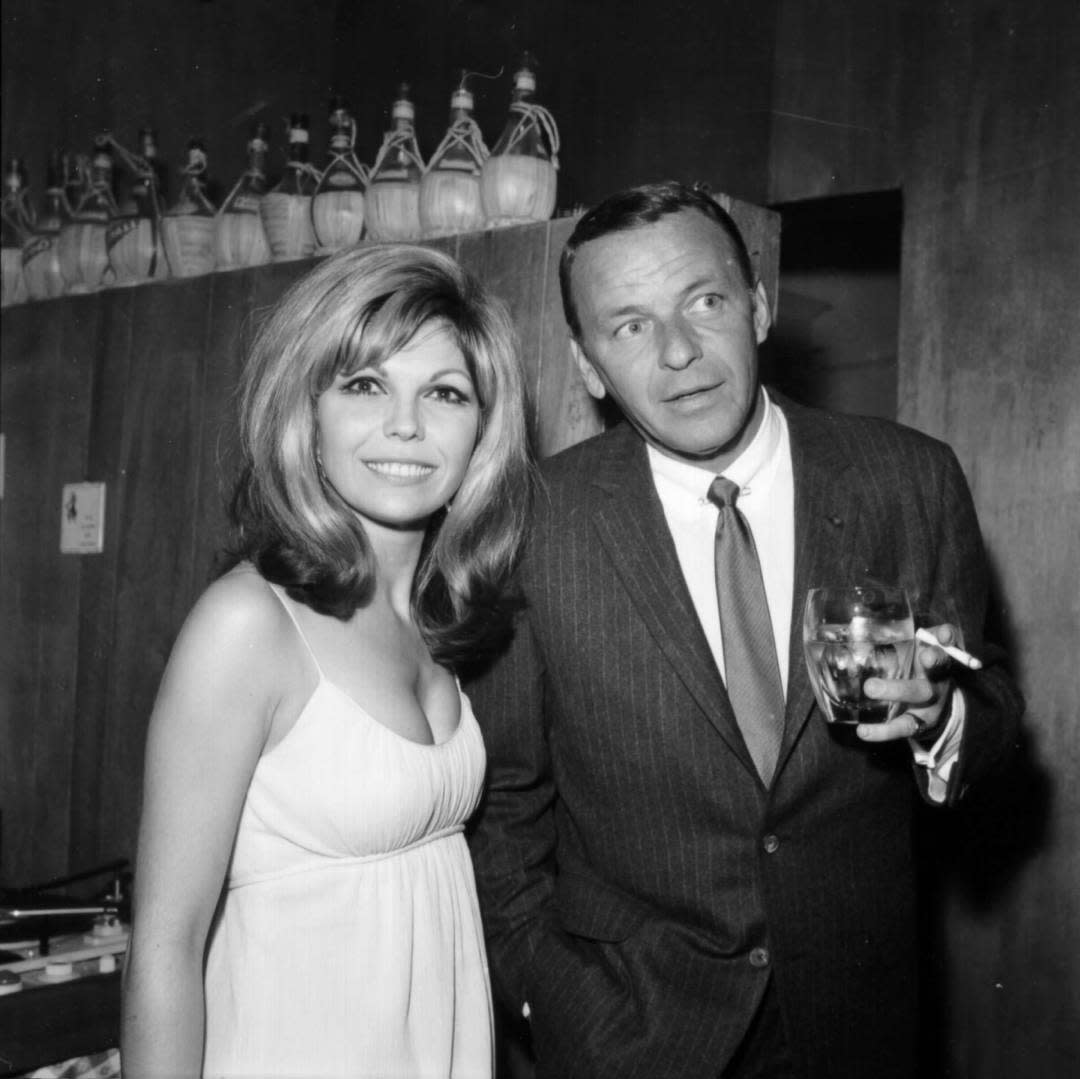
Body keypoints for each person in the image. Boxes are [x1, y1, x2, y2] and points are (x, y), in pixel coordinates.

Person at [466, 181, 1023, 1079]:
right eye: (631, 326)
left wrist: (943, 715)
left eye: (706, 301)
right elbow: (500, 806)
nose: (680, 352)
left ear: (759, 306)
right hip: (630, 1039)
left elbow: (992, 707)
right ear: (588, 365)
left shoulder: (908, 479)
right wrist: (547, 997)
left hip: (858, 1027)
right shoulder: (534, 524)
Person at [121, 244, 531, 1079]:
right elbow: (165, 944)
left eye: (444, 394)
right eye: (366, 385)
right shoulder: (249, 622)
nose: (406, 425)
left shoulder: (431, 613)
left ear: (482, 430)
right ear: (307, 412)